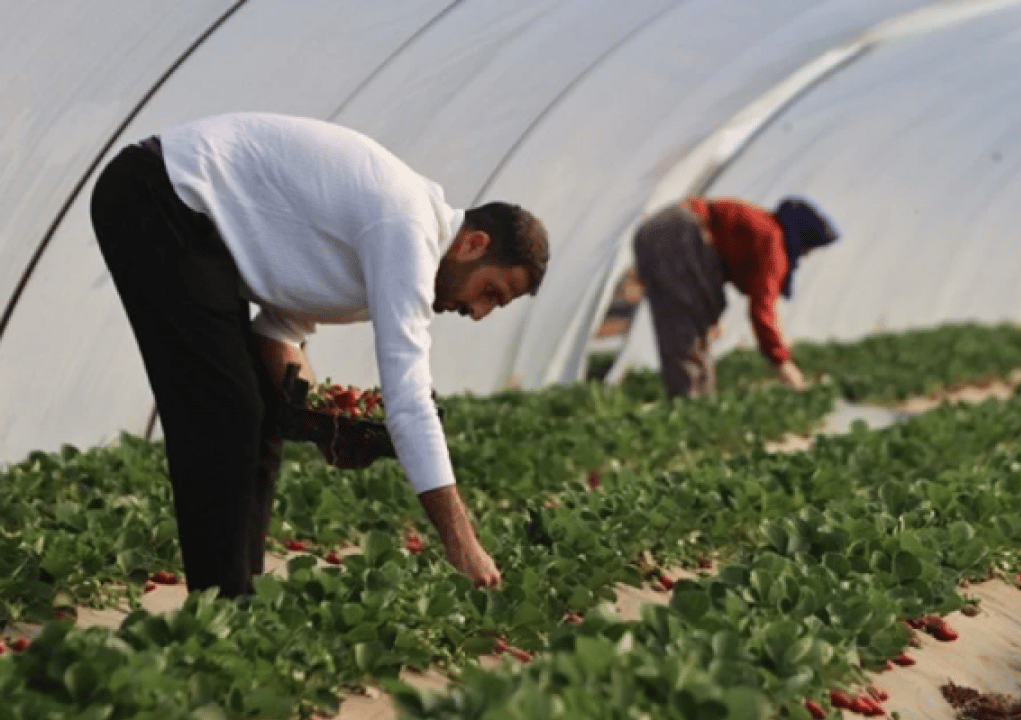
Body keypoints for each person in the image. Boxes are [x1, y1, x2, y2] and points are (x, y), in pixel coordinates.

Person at [89, 112, 549, 598]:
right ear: (473, 244)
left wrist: (319, 421)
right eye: (492, 293)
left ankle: (238, 599)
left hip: (192, 223)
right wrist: (461, 541)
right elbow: (409, 399)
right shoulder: (407, 229)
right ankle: (222, 604)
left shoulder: (395, 244)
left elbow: (279, 331)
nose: (478, 312)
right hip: (158, 195)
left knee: (260, 409)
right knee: (224, 411)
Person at [632, 195, 838, 397]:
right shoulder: (773, 242)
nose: (807, 254)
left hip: (664, 228)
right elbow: (762, 309)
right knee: (685, 333)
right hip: (679, 233)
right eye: (809, 247)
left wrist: (711, 317)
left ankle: (695, 404)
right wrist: (782, 363)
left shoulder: (765, 231)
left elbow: (762, 299)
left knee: (684, 326)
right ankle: (692, 408)